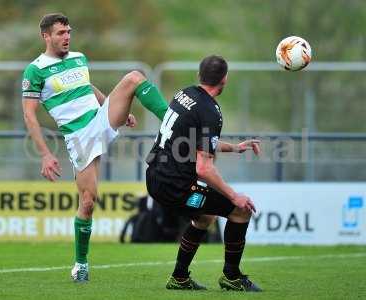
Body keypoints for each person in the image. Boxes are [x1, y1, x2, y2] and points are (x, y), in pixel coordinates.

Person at [22, 13, 168, 283]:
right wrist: (45, 153)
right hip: (78, 137)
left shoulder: (79, 57)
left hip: (100, 119)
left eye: (68, 31)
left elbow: (86, 86)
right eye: (60, 33)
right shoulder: (36, 70)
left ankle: (173, 119)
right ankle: (80, 264)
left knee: (135, 77)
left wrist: (116, 110)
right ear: (45, 36)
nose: (66, 36)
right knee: (88, 202)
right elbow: (29, 115)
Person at [146, 55, 262, 292]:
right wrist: (234, 196)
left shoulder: (184, 94)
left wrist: (235, 148)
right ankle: (232, 277)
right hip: (177, 186)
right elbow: (204, 168)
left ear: (199, 76)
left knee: (205, 216)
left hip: (155, 177)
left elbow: (197, 141)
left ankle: (179, 278)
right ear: (224, 79)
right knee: (240, 211)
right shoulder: (210, 111)